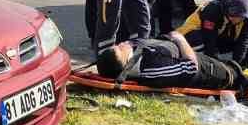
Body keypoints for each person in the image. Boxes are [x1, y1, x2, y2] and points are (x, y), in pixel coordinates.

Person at [94, 30, 230, 90]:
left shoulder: (139, 55)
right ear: (124, 63)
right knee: (241, 76)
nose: (122, 43)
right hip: (214, 73)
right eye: (120, 48)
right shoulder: (151, 68)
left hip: (202, 59)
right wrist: (180, 39)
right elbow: (192, 68)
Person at [175, 0, 248, 69]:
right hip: (193, 36)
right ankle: (194, 61)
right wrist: (215, 66)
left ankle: (244, 66)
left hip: (220, 35)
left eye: (240, 16)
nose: (237, 19)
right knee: (201, 40)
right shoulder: (212, 9)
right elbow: (209, 41)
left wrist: (237, 65)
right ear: (226, 8)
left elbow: (244, 40)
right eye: (234, 14)